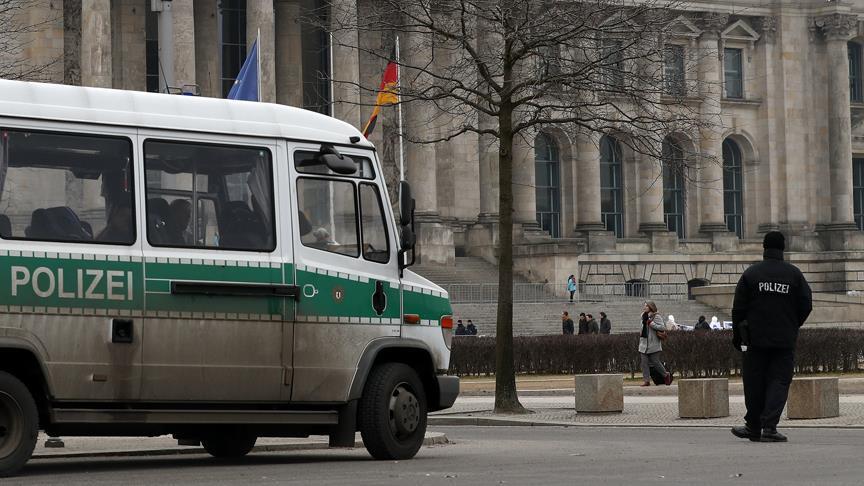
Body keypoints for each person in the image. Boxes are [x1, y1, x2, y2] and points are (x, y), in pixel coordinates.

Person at [730, 231, 812, 443]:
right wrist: (793, 324)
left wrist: (738, 337)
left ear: (764, 248)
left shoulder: (751, 274)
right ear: (783, 248)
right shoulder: (794, 274)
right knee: (779, 381)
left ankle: (753, 426)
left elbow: (738, 309)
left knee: (754, 382)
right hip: (784, 339)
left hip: (755, 338)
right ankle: (769, 427)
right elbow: (806, 304)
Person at [638, 300, 672, 387]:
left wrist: (651, 323)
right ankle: (646, 381)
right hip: (643, 343)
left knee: (655, 362)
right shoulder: (643, 316)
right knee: (644, 363)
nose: (645, 307)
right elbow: (642, 327)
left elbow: (662, 327)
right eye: (644, 305)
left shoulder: (656, 316)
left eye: (646, 306)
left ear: (651, 307)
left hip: (654, 344)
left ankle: (666, 375)